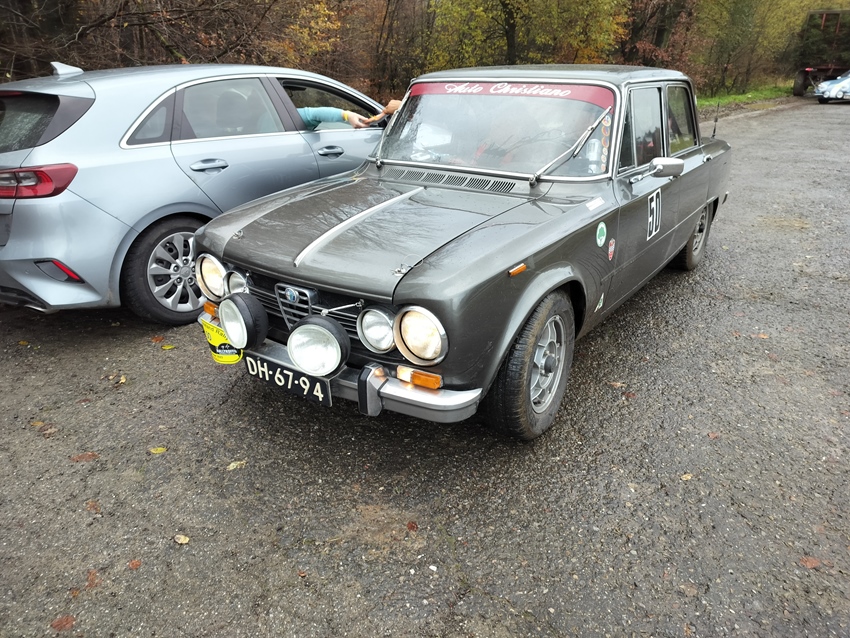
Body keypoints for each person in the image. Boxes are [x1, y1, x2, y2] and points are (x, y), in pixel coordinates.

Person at [297, 99, 402, 130]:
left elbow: (312, 114)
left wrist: (347, 115)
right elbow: (313, 114)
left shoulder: (287, 117)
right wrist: (346, 115)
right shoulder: (288, 118)